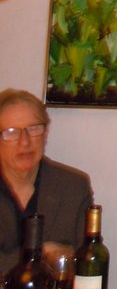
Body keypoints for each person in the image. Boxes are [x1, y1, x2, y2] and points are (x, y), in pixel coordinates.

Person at [0, 89, 93, 272]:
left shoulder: (74, 187)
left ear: (46, 133)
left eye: (33, 129)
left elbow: (85, 261)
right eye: (11, 132)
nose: (25, 142)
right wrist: (42, 252)